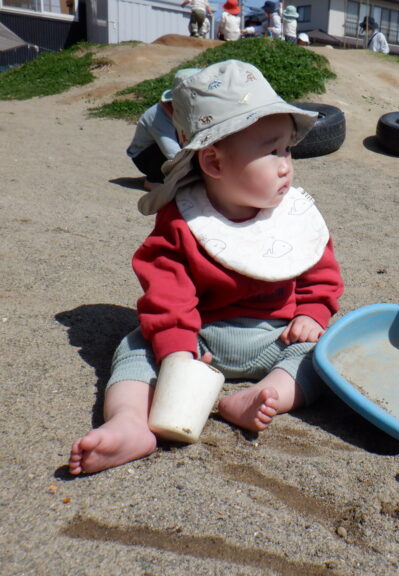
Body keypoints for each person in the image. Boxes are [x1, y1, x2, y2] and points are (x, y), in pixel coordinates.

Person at [69, 60, 344, 475]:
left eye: (287, 149)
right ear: (214, 163)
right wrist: (178, 351)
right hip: (200, 339)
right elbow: (167, 295)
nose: (286, 164)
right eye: (272, 151)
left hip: (277, 336)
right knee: (136, 346)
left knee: (323, 353)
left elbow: (319, 271)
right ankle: (128, 422)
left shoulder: (293, 215)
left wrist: (312, 312)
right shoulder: (183, 221)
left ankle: (260, 396)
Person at [126, 68, 200, 191]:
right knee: (161, 151)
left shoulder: (193, 111)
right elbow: (171, 152)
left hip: (181, 149)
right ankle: (153, 180)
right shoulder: (157, 116)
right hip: (147, 156)